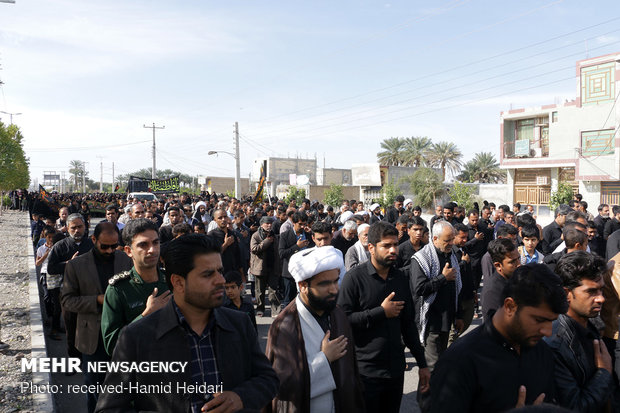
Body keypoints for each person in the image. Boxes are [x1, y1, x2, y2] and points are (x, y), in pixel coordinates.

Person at [95, 234, 279, 413]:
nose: (221, 281)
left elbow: (268, 379)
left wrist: (240, 397)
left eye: (220, 271)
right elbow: (109, 407)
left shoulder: (239, 323)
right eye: (208, 275)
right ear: (178, 283)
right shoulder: (137, 337)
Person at [430, 263, 568, 413]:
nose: (548, 332)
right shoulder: (459, 362)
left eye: (551, 321)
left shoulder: (542, 352)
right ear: (510, 306)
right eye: (539, 320)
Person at [338, 221, 429, 413]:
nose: (393, 250)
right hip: (365, 371)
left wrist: (422, 364)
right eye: (386, 246)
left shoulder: (401, 279)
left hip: (395, 371)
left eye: (395, 244)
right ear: (371, 247)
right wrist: (381, 312)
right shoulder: (354, 279)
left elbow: (408, 324)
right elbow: (343, 320)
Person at [266, 246, 365, 412]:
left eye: (336, 280)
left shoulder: (338, 313)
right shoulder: (286, 325)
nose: (334, 289)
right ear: (303, 285)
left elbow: (351, 372)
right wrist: (324, 359)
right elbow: (283, 385)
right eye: (325, 284)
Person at [60, 222, 132, 413]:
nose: (109, 250)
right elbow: (67, 301)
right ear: (93, 240)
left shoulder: (126, 260)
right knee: (96, 391)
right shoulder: (76, 265)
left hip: (122, 335)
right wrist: (98, 300)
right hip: (93, 338)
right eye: (104, 246)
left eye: (113, 246)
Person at [545, 251, 614, 412]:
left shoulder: (591, 324)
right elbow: (574, 407)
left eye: (601, 290)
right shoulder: (555, 345)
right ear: (567, 293)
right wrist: (604, 373)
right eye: (591, 292)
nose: (601, 298)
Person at [101, 218, 171, 356]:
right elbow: (112, 345)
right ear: (129, 251)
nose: (152, 250)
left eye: (156, 243)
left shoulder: (172, 281)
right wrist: (146, 315)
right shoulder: (118, 289)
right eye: (143, 245)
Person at [411, 221, 463, 371]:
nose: (451, 243)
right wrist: (442, 278)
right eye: (447, 240)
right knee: (432, 369)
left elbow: (456, 289)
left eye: (452, 239)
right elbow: (419, 289)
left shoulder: (452, 256)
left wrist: (458, 315)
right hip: (431, 322)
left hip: (446, 320)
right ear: (435, 239)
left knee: (443, 365)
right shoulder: (421, 259)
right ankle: (428, 395)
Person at [47, 213, 94, 359]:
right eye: (73, 228)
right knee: (71, 328)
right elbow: (51, 268)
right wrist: (69, 264)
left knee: (90, 328)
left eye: (80, 227)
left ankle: (89, 359)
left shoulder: (92, 245)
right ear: (67, 228)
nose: (77, 230)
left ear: (85, 227)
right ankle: (73, 359)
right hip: (68, 294)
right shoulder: (60, 246)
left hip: (90, 293)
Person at [279, 212, 314, 309]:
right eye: (300, 224)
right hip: (290, 273)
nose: (302, 226)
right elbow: (282, 254)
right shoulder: (285, 235)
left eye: (304, 224)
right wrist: (297, 247)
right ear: (293, 223)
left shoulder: (308, 235)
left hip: (305, 272)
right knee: (289, 301)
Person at [481, 238, 521, 318]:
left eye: (518, 259)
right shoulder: (492, 292)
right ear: (498, 265)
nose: (518, 264)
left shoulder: (514, 279)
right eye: (512, 262)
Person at [250, 216, 281, 317]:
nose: (269, 225)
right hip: (260, 267)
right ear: (261, 224)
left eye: (270, 223)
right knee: (260, 290)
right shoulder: (256, 235)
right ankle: (260, 308)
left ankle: (275, 310)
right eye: (267, 223)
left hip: (272, 266)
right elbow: (254, 249)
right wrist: (267, 241)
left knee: (273, 290)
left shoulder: (274, 236)